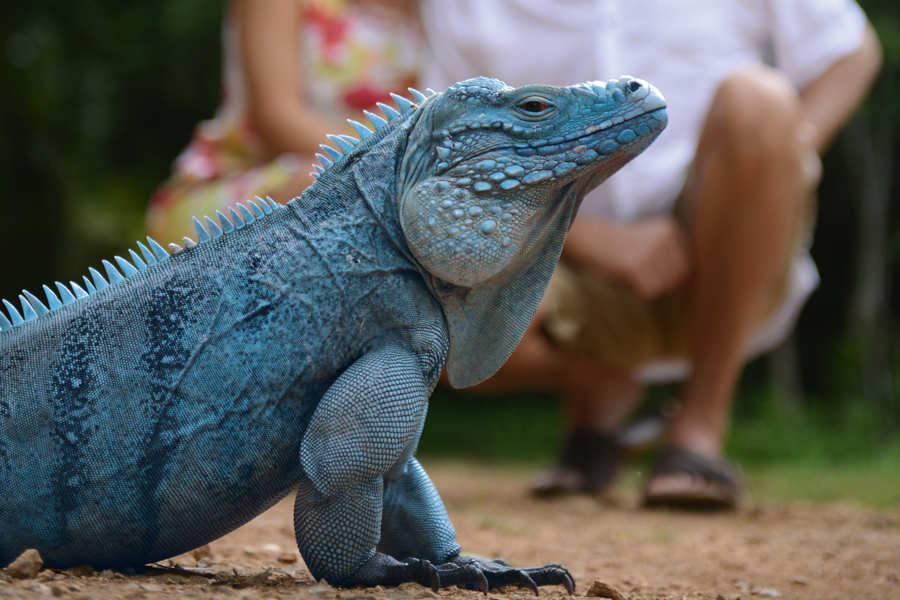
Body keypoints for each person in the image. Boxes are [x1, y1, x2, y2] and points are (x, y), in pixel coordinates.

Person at [420, 0, 882, 508]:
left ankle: (700, 428)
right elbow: (452, 156)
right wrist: (594, 239)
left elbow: (851, 50)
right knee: (422, 303)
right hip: (555, 261)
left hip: (725, 259)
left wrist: (785, 159)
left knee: (760, 100)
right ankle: (601, 390)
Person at [148, 0, 424, 244]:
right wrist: (390, 162)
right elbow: (277, 121)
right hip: (245, 181)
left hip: (376, 182)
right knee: (327, 188)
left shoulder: (435, 12)